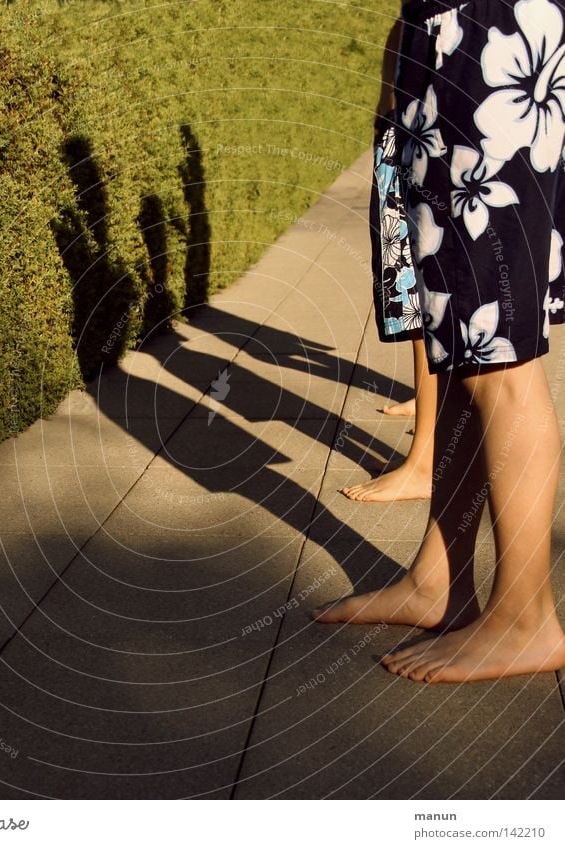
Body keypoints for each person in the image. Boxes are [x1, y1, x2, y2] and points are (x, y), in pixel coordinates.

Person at [314, 0, 565, 683]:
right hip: (457, 39)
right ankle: (439, 580)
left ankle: (526, 616)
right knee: (461, 345)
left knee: (501, 357)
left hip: (486, 41)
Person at [342, 17, 437, 503]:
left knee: (424, 296)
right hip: (404, 130)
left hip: (423, 134)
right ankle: (430, 442)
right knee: (412, 294)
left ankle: (427, 461)